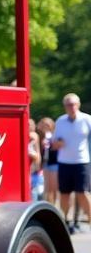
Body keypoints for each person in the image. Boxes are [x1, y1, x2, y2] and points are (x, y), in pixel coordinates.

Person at [52, 92, 91, 234]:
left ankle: (89, 219)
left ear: (78, 105)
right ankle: (66, 220)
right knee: (64, 194)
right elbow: (53, 143)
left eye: (73, 104)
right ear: (65, 106)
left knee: (83, 193)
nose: (71, 107)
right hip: (64, 162)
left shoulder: (87, 119)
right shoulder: (60, 121)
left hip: (82, 161)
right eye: (68, 104)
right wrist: (57, 144)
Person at [37, 117, 59, 206]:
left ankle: (55, 205)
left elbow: (56, 148)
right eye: (43, 125)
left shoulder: (55, 135)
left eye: (47, 125)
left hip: (54, 162)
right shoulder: (39, 136)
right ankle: (49, 205)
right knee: (47, 187)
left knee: (54, 187)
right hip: (44, 163)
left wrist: (50, 143)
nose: (45, 127)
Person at [28, 117, 43, 201]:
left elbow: (36, 155)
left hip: (33, 170)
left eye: (30, 125)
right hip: (34, 169)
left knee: (34, 193)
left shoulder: (33, 135)